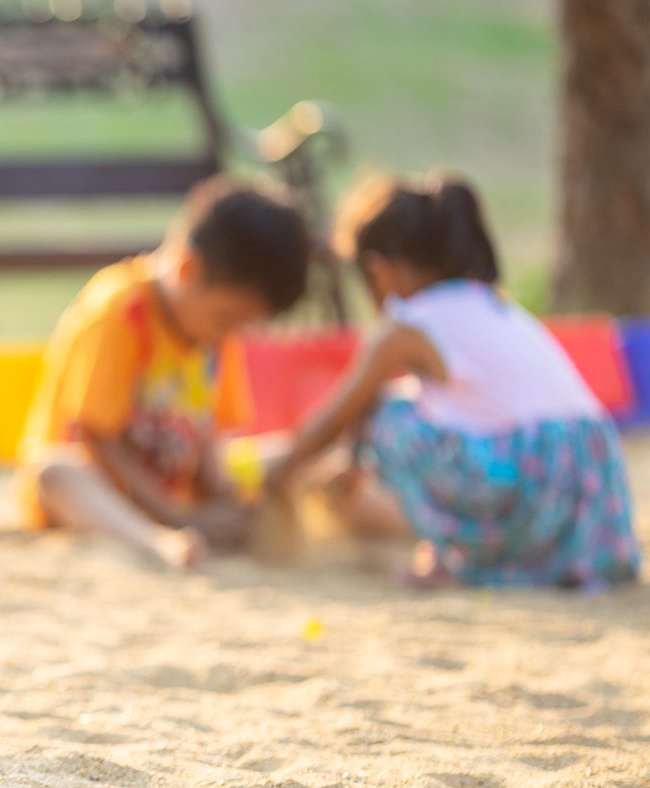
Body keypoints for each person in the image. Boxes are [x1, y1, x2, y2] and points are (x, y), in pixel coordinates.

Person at [265, 172, 640, 591]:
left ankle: (453, 558)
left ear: (379, 271)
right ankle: (525, 563)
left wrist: (277, 473)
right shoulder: (494, 304)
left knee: (384, 413)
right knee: (401, 405)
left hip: (533, 482)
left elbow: (337, 416)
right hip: (592, 486)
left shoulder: (405, 326)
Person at [17, 176, 312, 568]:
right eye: (227, 318)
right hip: (101, 490)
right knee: (55, 471)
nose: (231, 334)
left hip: (175, 488)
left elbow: (211, 436)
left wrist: (227, 498)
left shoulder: (213, 333)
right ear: (187, 268)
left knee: (294, 454)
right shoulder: (122, 310)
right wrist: (177, 517)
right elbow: (95, 438)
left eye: (243, 324)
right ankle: (155, 543)